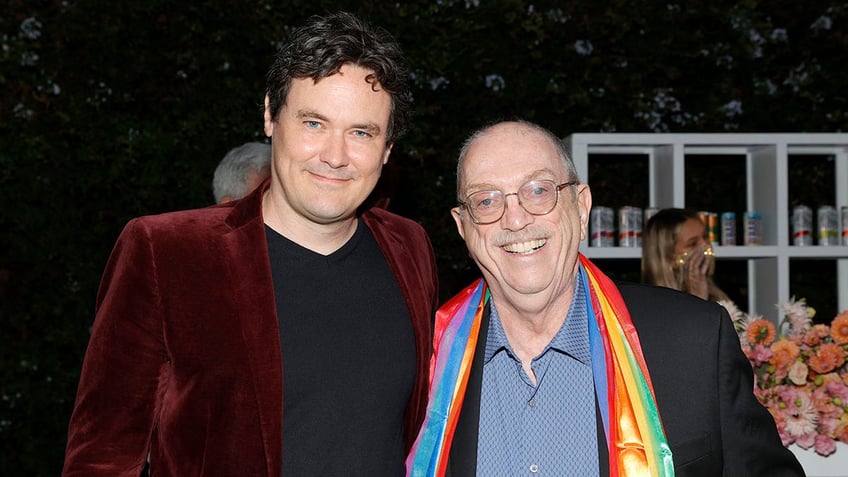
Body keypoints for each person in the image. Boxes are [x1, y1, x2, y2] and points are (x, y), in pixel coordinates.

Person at [63, 12, 438, 476]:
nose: (336, 156)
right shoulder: (168, 252)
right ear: (270, 116)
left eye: (361, 132)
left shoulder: (410, 247)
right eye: (314, 123)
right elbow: (101, 457)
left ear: (386, 149)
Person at [406, 120, 803, 476]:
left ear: (581, 208)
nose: (515, 219)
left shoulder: (693, 341)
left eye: (539, 190)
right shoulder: (424, 359)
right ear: (463, 228)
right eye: (487, 200)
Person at [642, 208, 730, 302]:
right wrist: (698, 300)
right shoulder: (651, 303)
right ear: (668, 257)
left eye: (705, 237)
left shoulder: (717, 293)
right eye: (692, 244)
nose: (705, 246)